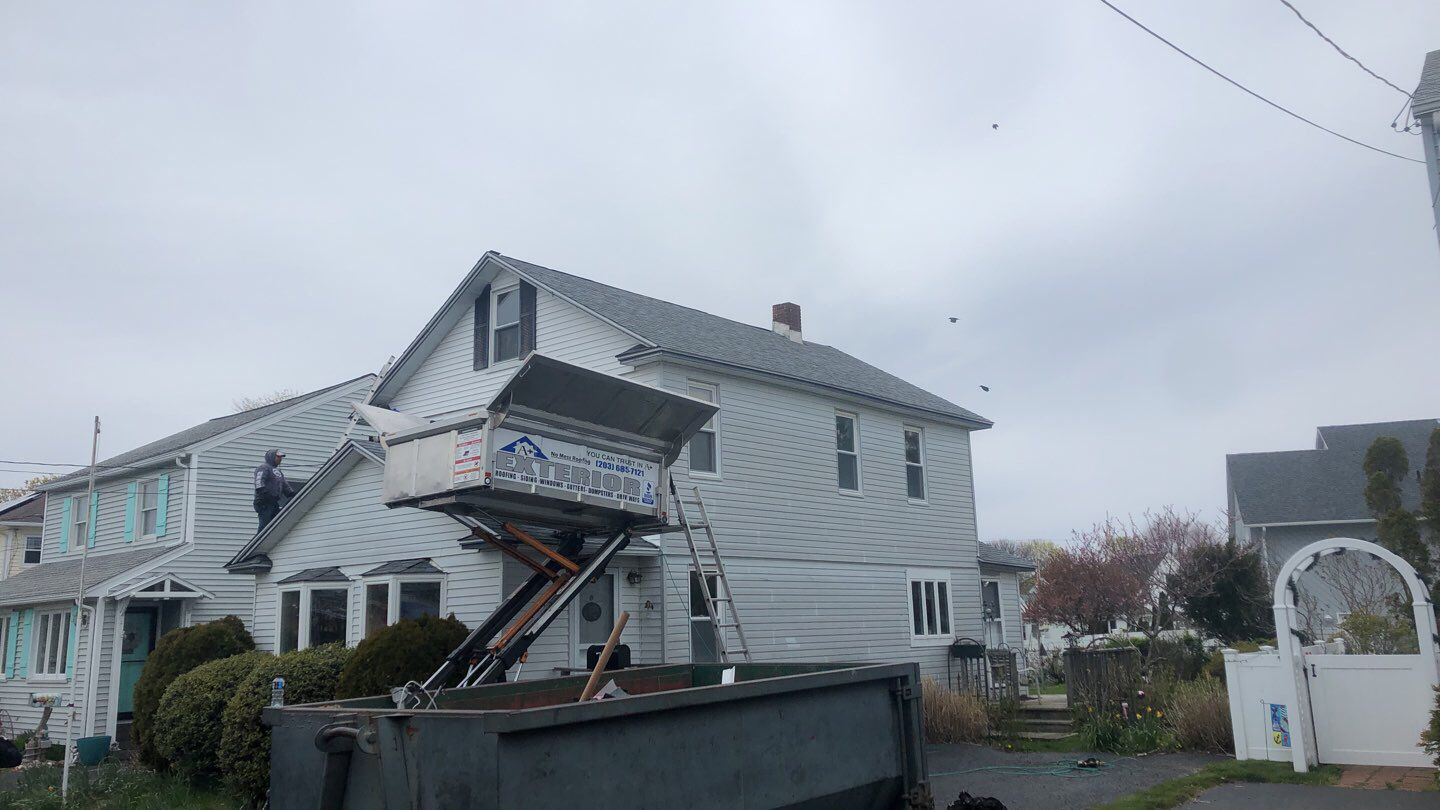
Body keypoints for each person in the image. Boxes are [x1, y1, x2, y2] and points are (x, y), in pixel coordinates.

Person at [253, 449, 296, 530]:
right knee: (265, 525)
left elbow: (284, 485)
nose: (280, 459)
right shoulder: (263, 467)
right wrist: (265, 493)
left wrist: (292, 494)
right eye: (278, 457)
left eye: (281, 457)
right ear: (271, 456)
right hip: (263, 501)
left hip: (273, 502)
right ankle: (261, 541)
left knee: (275, 525)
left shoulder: (278, 471)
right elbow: (259, 482)